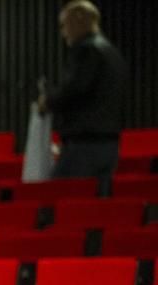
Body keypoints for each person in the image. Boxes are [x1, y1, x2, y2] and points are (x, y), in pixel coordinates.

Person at [37, 1, 127, 181]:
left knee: (58, 200)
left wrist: (47, 101)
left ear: (79, 20)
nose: (63, 33)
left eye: (65, 25)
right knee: (96, 205)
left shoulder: (86, 49)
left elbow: (74, 88)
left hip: (83, 146)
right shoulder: (111, 52)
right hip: (109, 145)